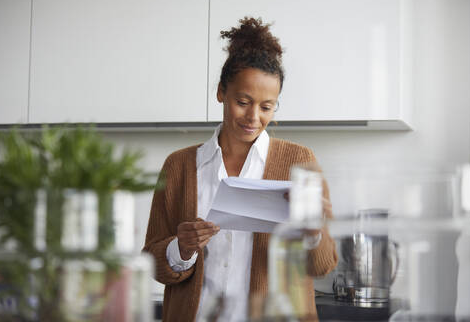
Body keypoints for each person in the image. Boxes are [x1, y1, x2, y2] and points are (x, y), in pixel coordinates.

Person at [143, 17, 337, 322]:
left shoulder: (299, 161)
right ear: (221, 92)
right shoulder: (178, 166)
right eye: (242, 101)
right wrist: (180, 249)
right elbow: (153, 265)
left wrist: (312, 231)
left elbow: (322, 266)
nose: (253, 117)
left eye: (266, 106)